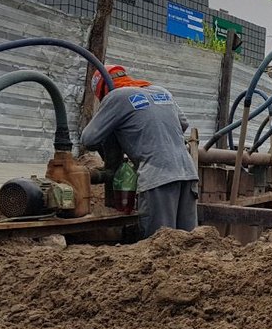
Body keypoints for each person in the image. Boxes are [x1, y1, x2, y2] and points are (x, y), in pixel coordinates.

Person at [81, 64, 199, 238]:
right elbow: (183, 124)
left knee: (161, 245)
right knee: (190, 244)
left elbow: (88, 139)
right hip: (188, 173)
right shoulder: (160, 91)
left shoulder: (116, 97)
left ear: (102, 90)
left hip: (157, 178)